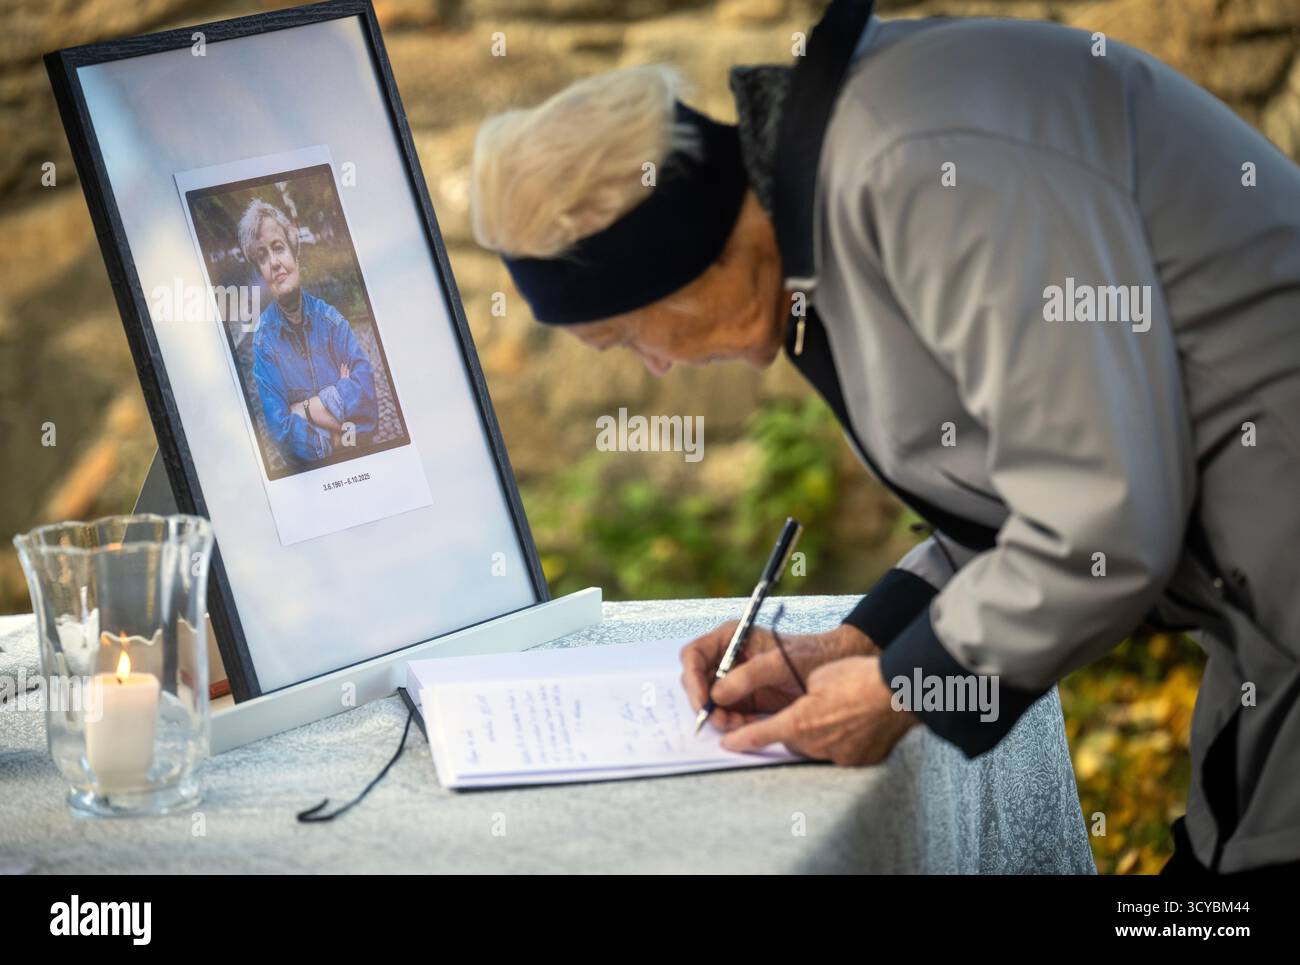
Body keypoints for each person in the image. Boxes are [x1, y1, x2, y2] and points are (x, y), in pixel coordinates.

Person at [469, 1, 1300, 875]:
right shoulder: (841, 190)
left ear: (677, 260)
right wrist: (862, 643)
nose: (658, 370)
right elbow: (1023, 489)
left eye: (629, 336)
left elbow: (1101, 516)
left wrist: (904, 689)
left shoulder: (919, 168)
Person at [241, 198, 378, 466]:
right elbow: (282, 434)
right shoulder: (264, 343)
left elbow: (368, 406)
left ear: (294, 252)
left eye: (278, 248)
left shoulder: (331, 320)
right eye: (262, 257)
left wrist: (303, 409)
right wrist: (338, 436)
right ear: (260, 271)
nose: (274, 262)